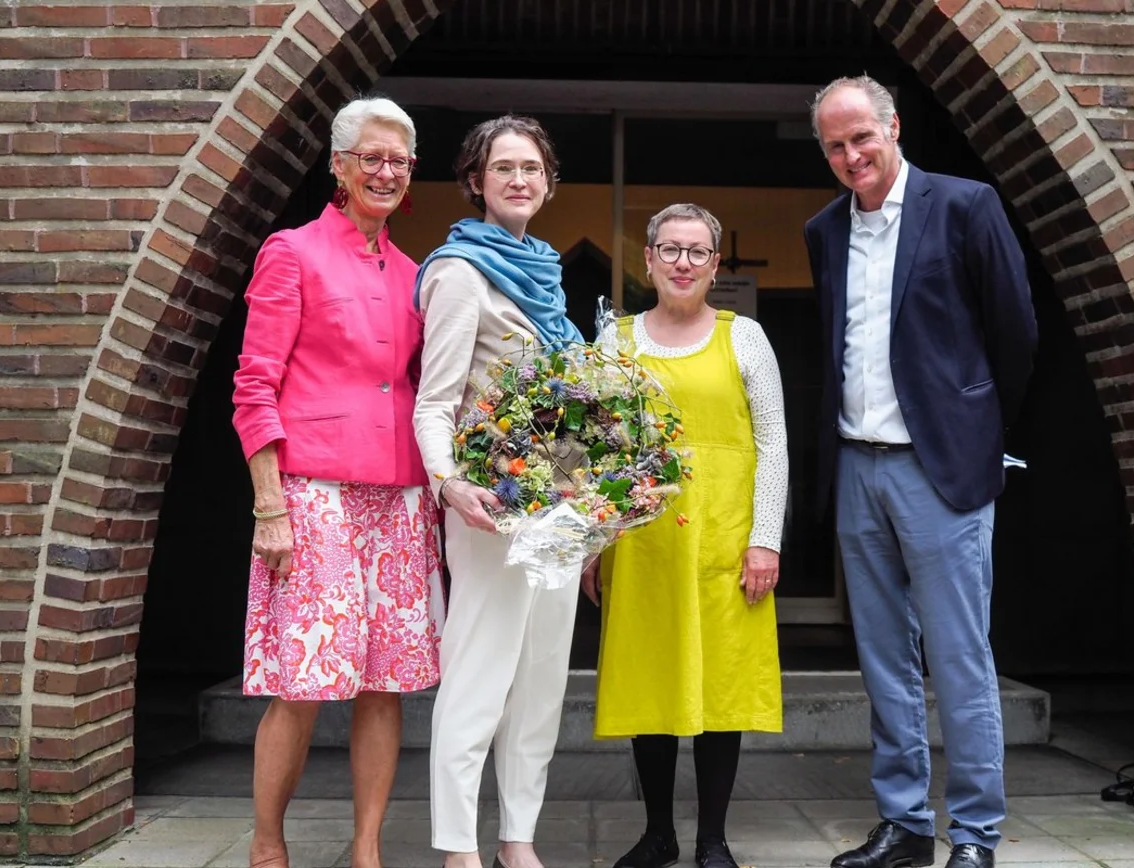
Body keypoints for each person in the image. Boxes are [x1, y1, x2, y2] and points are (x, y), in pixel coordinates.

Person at [804, 76, 1038, 868]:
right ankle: (905, 826)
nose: (851, 156)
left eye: (861, 138)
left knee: (959, 656)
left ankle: (973, 835)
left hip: (941, 472)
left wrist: (975, 433)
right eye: (835, 146)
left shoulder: (966, 207)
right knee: (883, 660)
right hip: (857, 465)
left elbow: (1015, 332)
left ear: (893, 127)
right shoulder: (823, 230)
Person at [232, 97, 443, 868]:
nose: (385, 172)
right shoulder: (292, 251)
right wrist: (269, 505)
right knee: (304, 679)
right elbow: (254, 385)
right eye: (371, 158)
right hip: (313, 493)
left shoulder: (417, 275)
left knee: (384, 682)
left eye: (399, 161)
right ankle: (266, 848)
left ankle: (366, 850)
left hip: (401, 496)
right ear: (340, 166)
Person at [583, 204, 789, 868]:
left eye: (697, 252)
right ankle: (658, 834)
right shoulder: (615, 340)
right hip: (643, 546)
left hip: (725, 543)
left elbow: (774, 446)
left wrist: (766, 539)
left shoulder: (745, 337)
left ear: (714, 265)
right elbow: (598, 451)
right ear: (647, 259)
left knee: (720, 686)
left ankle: (712, 839)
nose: (682, 263)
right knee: (650, 684)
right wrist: (593, 544)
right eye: (670, 249)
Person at [413, 115, 583, 868]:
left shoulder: (544, 273)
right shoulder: (460, 273)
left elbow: (569, 408)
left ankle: (518, 839)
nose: (520, 179)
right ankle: (459, 847)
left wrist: (590, 498)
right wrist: (449, 484)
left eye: (532, 167)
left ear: (548, 183)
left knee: (541, 680)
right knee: (480, 674)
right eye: (504, 167)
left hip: (560, 510)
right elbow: (434, 402)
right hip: (489, 509)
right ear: (476, 181)